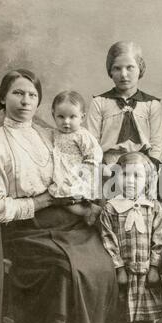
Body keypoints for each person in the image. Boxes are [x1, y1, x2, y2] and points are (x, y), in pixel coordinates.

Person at [0, 69, 128, 323]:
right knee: (65, 269)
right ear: (3, 98)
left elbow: (81, 168)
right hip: (27, 232)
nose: (25, 101)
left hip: (70, 224)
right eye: (17, 93)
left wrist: (86, 201)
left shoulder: (51, 134)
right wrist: (45, 201)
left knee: (104, 263)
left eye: (32, 95)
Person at [100, 152, 162, 323]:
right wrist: (118, 268)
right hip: (124, 274)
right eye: (125, 174)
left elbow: (160, 238)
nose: (130, 180)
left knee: (147, 316)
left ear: (147, 180)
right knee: (117, 314)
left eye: (137, 176)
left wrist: (155, 267)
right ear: (116, 177)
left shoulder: (153, 207)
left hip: (146, 272)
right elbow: (108, 240)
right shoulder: (110, 208)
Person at [85, 41, 162, 170]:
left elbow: (158, 142)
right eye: (117, 68)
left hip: (142, 167)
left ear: (140, 69)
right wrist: (99, 168)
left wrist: (151, 168)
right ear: (110, 71)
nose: (123, 74)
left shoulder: (151, 104)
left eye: (130, 67)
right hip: (108, 166)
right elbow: (91, 141)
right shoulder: (100, 102)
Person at [48, 90, 102, 226]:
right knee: (59, 198)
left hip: (77, 174)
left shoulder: (82, 135)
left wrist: (83, 174)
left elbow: (94, 155)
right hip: (61, 174)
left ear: (82, 117)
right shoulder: (53, 133)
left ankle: (89, 210)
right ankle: (86, 212)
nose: (66, 122)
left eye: (72, 117)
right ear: (53, 115)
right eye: (61, 117)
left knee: (67, 196)